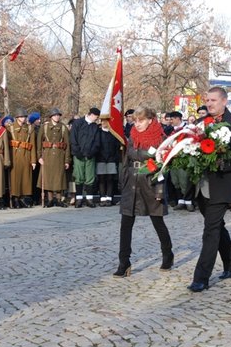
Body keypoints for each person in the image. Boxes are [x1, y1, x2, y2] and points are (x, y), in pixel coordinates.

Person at [187, 86, 231, 292]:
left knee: (210, 230)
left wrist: (221, 161)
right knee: (216, 226)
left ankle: (201, 277)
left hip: (222, 184)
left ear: (224, 101)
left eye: (213, 100)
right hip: (201, 185)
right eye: (207, 100)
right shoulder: (199, 124)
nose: (209, 103)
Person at [113, 106, 173, 277]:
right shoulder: (132, 135)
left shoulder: (161, 138)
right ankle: (124, 262)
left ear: (150, 119)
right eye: (135, 120)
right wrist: (122, 181)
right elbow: (126, 160)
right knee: (126, 224)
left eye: (141, 120)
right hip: (132, 182)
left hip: (151, 182)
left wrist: (160, 191)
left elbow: (163, 168)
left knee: (157, 221)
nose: (137, 124)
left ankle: (168, 253)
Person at [37, 108, 70, 207]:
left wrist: (67, 160)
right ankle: (50, 199)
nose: (57, 117)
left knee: (59, 178)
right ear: (51, 116)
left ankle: (59, 199)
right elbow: (39, 142)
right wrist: (39, 157)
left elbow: (67, 145)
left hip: (60, 155)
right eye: (55, 115)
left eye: (58, 115)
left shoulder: (63, 127)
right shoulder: (45, 127)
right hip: (47, 154)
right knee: (49, 177)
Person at [70, 107, 101, 208]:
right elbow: (73, 139)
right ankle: (79, 199)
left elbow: (97, 142)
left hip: (90, 156)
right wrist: (77, 152)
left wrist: (92, 152)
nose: (96, 119)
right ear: (91, 115)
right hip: (79, 155)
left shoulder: (95, 127)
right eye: (96, 117)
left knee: (90, 178)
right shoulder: (78, 123)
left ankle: (89, 199)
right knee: (79, 177)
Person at [7, 107, 37, 208]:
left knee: (26, 178)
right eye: (21, 116)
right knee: (15, 178)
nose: (23, 118)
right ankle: (15, 198)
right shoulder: (9, 127)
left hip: (26, 155)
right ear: (17, 117)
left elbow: (33, 145)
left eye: (24, 116)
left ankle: (24, 198)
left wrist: (33, 160)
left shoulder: (29, 128)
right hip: (14, 155)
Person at [96, 119, 121, 206]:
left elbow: (117, 146)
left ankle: (109, 198)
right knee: (102, 179)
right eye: (103, 122)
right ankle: (102, 198)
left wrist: (114, 157)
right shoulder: (98, 133)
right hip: (101, 159)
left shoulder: (113, 133)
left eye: (106, 122)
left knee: (110, 178)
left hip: (111, 159)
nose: (104, 123)